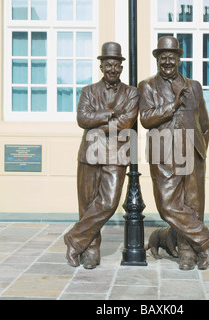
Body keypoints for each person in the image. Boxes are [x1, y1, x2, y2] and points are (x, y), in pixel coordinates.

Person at [139, 36, 209, 270]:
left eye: (172, 57)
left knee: (193, 205)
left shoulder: (194, 86)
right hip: (163, 153)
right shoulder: (147, 86)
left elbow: (204, 123)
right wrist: (173, 105)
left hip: (192, 152)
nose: (167, 62)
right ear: (157, 59)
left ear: (179, 59)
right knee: (168, 206)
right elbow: (146, 119)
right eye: (163, 57)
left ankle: (188, 252)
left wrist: (200, 150)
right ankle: (207, 240)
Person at [64, 42, 139, 269]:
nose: (113, 69)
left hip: (117, 156)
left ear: (121, 67)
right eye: (109, 65)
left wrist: (96, 123)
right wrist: (108, 114)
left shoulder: (132, 93)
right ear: (102, 66)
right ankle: (90, 250)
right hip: (89, 155)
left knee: (107, 203)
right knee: (87, 205)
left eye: (117, 65)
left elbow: (126, 123)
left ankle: (74, 238)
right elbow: (82, 120)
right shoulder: (88, 91)